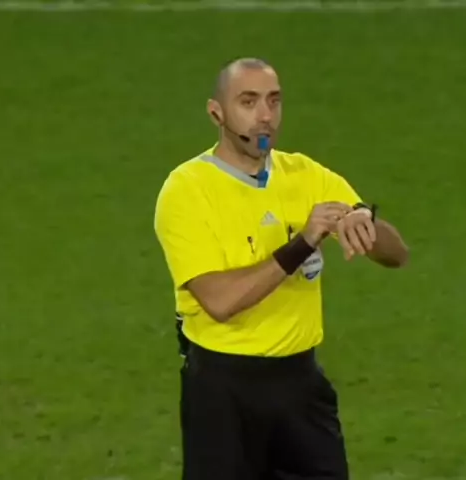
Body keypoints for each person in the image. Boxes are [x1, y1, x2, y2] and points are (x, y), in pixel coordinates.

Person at [153, 57, 409, 480]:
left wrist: (364, 218)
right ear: (217, 113)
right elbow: (220, 301)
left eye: (274, 101)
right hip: (223, 392)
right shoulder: (187, 190)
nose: (265, 116)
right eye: (248, 102)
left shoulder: (305, 175)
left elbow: (396, 255)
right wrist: (302, 243)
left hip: (300, 388)